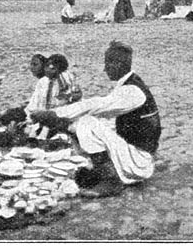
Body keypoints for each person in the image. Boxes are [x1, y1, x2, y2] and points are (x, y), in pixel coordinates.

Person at [31, 41, 161, 198]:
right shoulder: (129, 84)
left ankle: (111, 181)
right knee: (80, 123)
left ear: (118, 64)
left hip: (140, 162)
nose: (105, 69)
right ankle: (105, 170)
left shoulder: (132, 91)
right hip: (136, 154)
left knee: (86, 123)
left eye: (108, 63)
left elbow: (96, 104)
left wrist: (56, 114)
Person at [24, 54, 81, 139]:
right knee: (28, 130)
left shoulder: (66, 80)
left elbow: (75, 97)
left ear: (59, 70)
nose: (46, 70)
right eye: (46, 67)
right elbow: (34, 102)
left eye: (52, 68)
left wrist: (69, 97)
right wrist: (30, 118)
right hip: (43, 116)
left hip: (60, 116)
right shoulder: (43, 82)